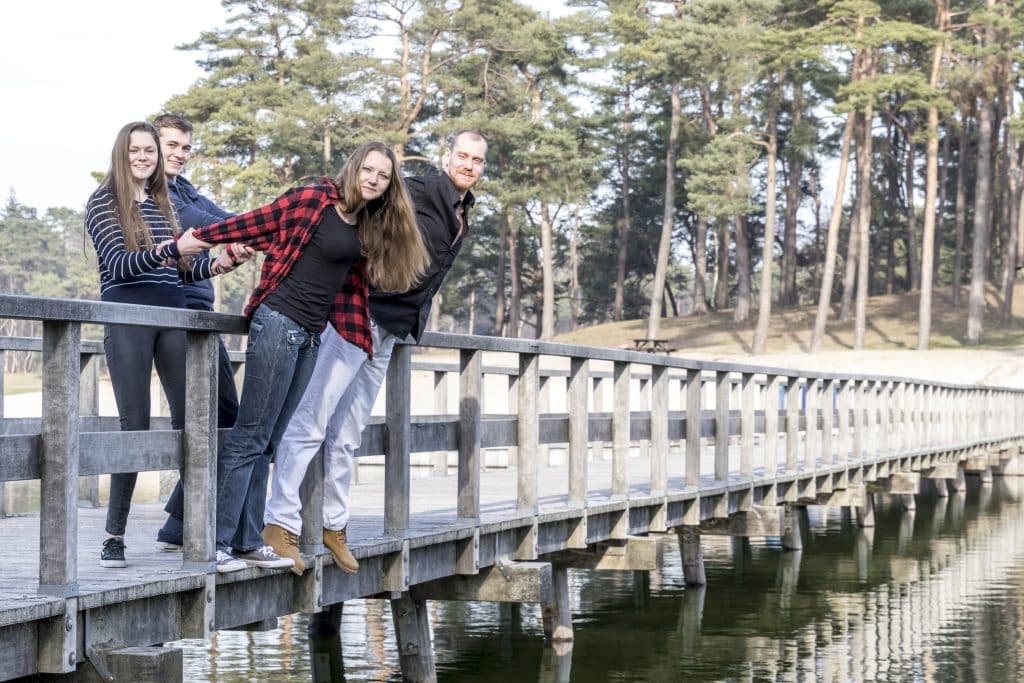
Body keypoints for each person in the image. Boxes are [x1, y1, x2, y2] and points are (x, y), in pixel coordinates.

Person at [173, 141, 428, 573]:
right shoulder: (314, 199)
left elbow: (352, 289)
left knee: (272, 440)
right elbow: (257, 223)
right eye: (368, 170)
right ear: (354, 168)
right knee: (250, 435)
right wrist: (197, 239)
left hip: (311, 335)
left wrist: (362, 338)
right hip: (277, 323)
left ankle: (248, 542)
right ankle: (212, 544)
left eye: (383, 177)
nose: (373, 179)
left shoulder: (365, 222)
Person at [262, 130, 487, 575]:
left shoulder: (462, 212)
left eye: (477, 161)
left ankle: (333, 523)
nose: (468, 165)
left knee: (348, 432)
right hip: (357, 316)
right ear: (447, 157)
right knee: (312, 419)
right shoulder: (416, 190)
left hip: (392, 330)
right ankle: (279, 524)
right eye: (462, 156)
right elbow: (356, 206)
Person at [85, 121, 243, 569]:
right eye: (135, 150)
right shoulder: (103, 202)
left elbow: (178, 271)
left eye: (149, 151)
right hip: (129, 318)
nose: (143, 157)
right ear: (122, 153)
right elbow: (118, 265)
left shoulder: (160, 202)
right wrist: (175, 248)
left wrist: (221, 262)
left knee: (194, 422)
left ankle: (196, 532)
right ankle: (114, 535)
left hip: (173, 316)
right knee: (132, 426)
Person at [152, 113, 248, 553]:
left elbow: (219, 216)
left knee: (226, 415)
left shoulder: (186, 188)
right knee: (206, 419)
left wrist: (255, 229)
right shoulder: (155, 193)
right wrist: (261, 229)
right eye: (171, 145)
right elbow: (203, 223)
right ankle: (182, 525)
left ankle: (179, 523)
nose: (178, 154)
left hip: (201, 314)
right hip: (178, 317)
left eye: (185, 147)